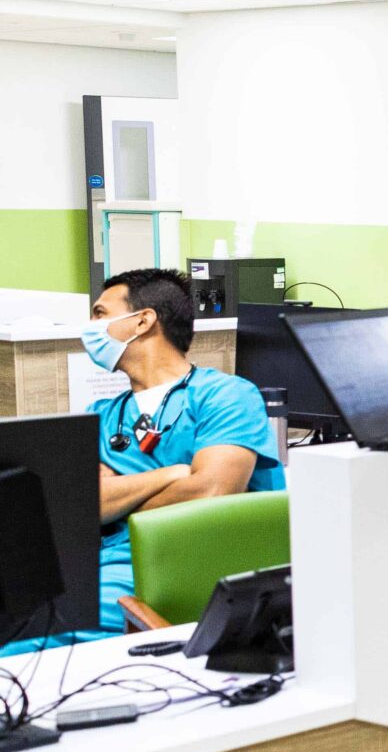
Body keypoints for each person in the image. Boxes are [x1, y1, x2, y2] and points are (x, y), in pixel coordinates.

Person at [85, 268, 283, 639]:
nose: (90, 327)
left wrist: (122, 497)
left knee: (27, 633)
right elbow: (84, 505)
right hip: (100, 570)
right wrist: (174, 473)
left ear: (142, 321)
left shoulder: (225, 395)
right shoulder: (100, 414)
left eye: (99, 314)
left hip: (183, 570)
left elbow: (211, 493)